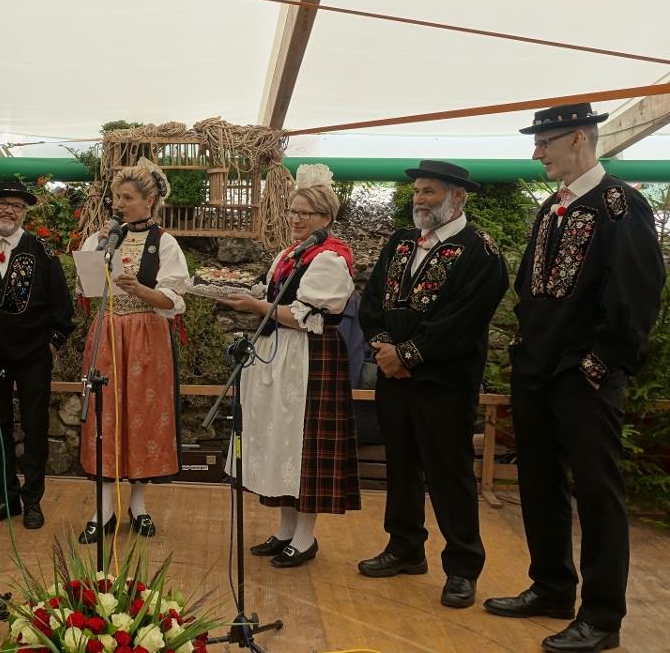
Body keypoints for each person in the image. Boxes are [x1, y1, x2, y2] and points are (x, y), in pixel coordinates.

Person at [484, 104, 665, 653]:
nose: (536, 153)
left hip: (583, 373)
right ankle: (552, 586)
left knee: (596, 491)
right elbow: (529, 286)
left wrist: (600, 363)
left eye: (544, 143)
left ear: (579, 141)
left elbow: (636, 294)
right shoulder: (551, 208)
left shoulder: (620, 207)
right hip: (537, 368)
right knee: (539, 481)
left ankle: (603, 617)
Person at [357, 160, 508, 609]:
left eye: (429, 192)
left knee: (449, 473)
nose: (419, 200)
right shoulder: (401, 241)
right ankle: (405, 547)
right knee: (401, 465)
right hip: (394, 378)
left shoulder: (481, 250)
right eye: (417, 192)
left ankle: (462, 567)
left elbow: (462, 321)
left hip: (444, 383)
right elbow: (371, 303)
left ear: (457, 196)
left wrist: (408, 356)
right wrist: (386, 351)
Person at [219, 164, 361, 568]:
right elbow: (277, 298)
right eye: (293, 211)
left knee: (305, 445)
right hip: (280, 354)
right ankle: (284, 530)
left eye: (304, 213)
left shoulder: (331, 259)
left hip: (309, 358)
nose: (295, 219)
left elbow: (308, 317)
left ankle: (305, 536)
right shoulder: (291, 253)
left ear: (326, 219)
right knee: (281, 441)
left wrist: (256, 307)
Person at [76, 159, 187, 543]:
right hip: (107, 331)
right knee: (104, 416)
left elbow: (174, 299)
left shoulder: (165, 243)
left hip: (145, 335)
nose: (119, 204)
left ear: (149, 200)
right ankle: (103, 508)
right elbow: (88, 287)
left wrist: (141, 290)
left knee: (143, 415)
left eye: (127, 197)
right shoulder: (100, 239)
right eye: (116, 197)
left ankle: (138, 505)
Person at [0, 179, 75, 530]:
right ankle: (4, 499)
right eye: (3, 204)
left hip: (32, 357)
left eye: (17, 206)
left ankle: (33, 500)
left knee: (36, 428)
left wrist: (51, 346)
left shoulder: (42, 252)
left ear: (25, 213)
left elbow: (62, 307)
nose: (9, 210)